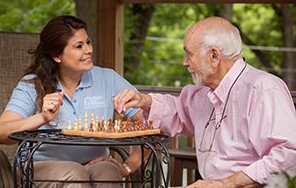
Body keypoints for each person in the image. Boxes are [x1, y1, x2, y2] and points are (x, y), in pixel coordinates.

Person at [113, 16, 296, 187]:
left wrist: (227, 183)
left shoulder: (264, 88)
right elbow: (178, 112)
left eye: (189, 54)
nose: (185, 62)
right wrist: (144, 100)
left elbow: (289, 153)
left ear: (214, 56)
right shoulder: (204, 93)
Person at [0, 15, 143, 188]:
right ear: (57, 56)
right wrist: (42, 118)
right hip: (39, 168)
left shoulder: (108, 78)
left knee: (108, 172)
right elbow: (0, 134)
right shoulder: (31, 85)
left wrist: (127, 166)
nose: (88, 50)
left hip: (95, 163)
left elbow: (150, 119)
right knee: (74, 173)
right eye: (78, 46)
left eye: (88, 42)